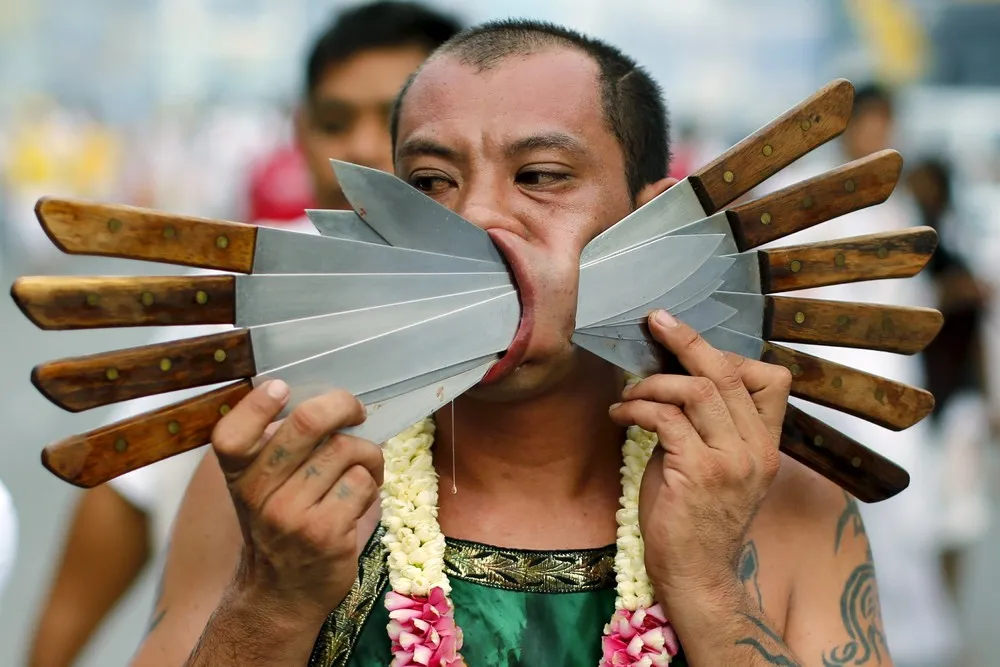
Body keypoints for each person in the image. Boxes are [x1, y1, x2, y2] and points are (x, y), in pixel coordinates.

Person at [129, 20, 899, 667]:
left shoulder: (775, 496)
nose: (477, 219)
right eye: (429, 183)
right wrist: (271, 599)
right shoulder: (284, 483)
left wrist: (705, 582)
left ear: (653, 225)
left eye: (539, 174)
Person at [25, 4, 462, 666]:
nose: (365, 148)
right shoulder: (234, 291)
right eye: (334, 121)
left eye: (394, 119)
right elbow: (125, 486)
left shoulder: (531, 325)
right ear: (299, 129)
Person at [758, 83, 962, 667]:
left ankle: (894, 638)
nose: (879, 136)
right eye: (872, 124)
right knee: (829, 506)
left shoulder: (898, 202)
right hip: (820, 379)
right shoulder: (803, 196)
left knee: (901, 514)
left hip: (891, 378)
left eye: (887, 126)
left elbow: (914, 306)